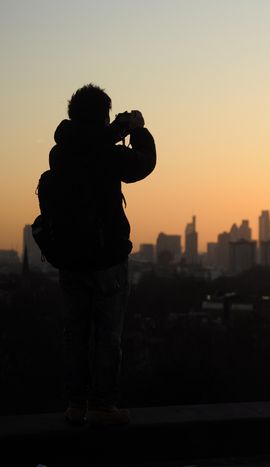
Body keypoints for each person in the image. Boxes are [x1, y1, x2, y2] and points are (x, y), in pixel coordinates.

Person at [49, 84, 156, 426]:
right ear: (103, 117)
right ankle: (102, 405)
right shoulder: (108, 155)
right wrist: (138, 130)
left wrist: (115, 129)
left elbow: (88, 142)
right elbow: (143, 164)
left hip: (69, 258)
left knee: (74, 334)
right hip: (106, 258)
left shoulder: (60, 152)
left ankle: (75, 404)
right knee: (108, 336)